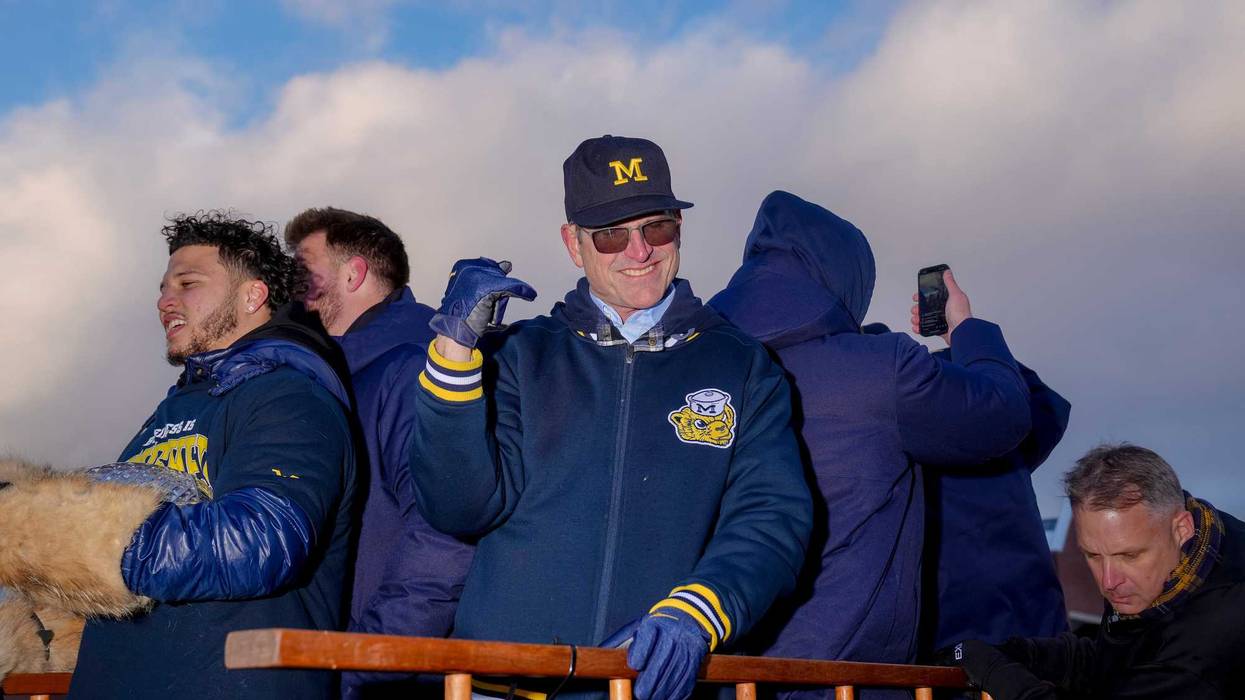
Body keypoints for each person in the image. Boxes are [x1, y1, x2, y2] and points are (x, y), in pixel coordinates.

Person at [409, 136, 813, 700]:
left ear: (679, 227)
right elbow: (458, 507)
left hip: (650, 684)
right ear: (573, 244)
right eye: (611, 235)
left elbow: (771, 519)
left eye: (656, 228)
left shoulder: (743, 365)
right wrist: (454, 353)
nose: (639, 251)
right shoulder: (519, 355)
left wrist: (698, 613)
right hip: (500, 686)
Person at [708, 190, 1032, 699]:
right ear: (848, 280)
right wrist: (966, 330)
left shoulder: (694, 364)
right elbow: (1001, 414)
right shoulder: (881, 370)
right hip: (848, 679)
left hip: (722, 677)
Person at [63, 212, 358, 698]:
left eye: (188, 283)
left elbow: (259, 542)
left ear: (252, 296)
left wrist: (77, 538)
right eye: (163, 288)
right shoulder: (172, 409)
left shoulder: (290, 397)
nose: (165, 301)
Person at [285, 207, 475, 698]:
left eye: (303, 270)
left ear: (354, 273)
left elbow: (444, 530)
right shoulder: (323, 379)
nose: (289, 286)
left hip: (387, 680)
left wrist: (364, 660)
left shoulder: (413, 370)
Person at [942, 444, 1245, 699]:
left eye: (1129, 555)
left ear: (1181, 529)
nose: (1109, 581)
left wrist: (995, 673)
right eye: (1093, 555)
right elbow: (1111, 660)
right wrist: (1013, 653)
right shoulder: (1181, 559)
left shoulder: (1212, 636)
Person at [919, 351, 1070, 654]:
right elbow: (1048, 410)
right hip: (1033, 621)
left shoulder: (897, 385)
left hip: (947, 630)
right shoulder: (974, 369)